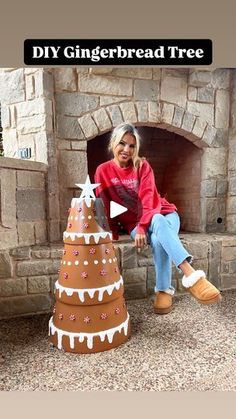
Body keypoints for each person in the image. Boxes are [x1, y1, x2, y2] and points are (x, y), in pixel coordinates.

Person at [94, 122, 221, 314]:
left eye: (132, 145)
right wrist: (112, 232)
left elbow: (150, 200)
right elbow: (106, 204)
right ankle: (185, 281)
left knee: (159, 225)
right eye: (122, 143)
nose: (126, 149)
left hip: (165, 214)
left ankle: (171, 286)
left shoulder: (142, 166)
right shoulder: (103, 171)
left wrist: (144, 227)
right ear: (113, 143)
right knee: (157, 237)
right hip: (134, 223)